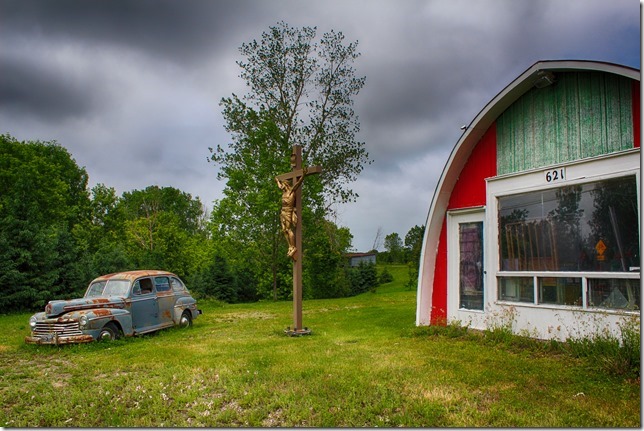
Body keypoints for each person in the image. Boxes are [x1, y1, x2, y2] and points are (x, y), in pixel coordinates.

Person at [276, 168, 307, 260]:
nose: (282, 187)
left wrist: (303, 175)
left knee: (289, 229)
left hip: (289, 212)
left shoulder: (291, 191)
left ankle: (293, 247)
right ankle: (289, 246)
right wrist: (277, 180)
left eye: (283, 185)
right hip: (283, 212)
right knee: (284, 230)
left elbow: (298, 183)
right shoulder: (283, 192)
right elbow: (279, 186)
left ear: (286, 185)